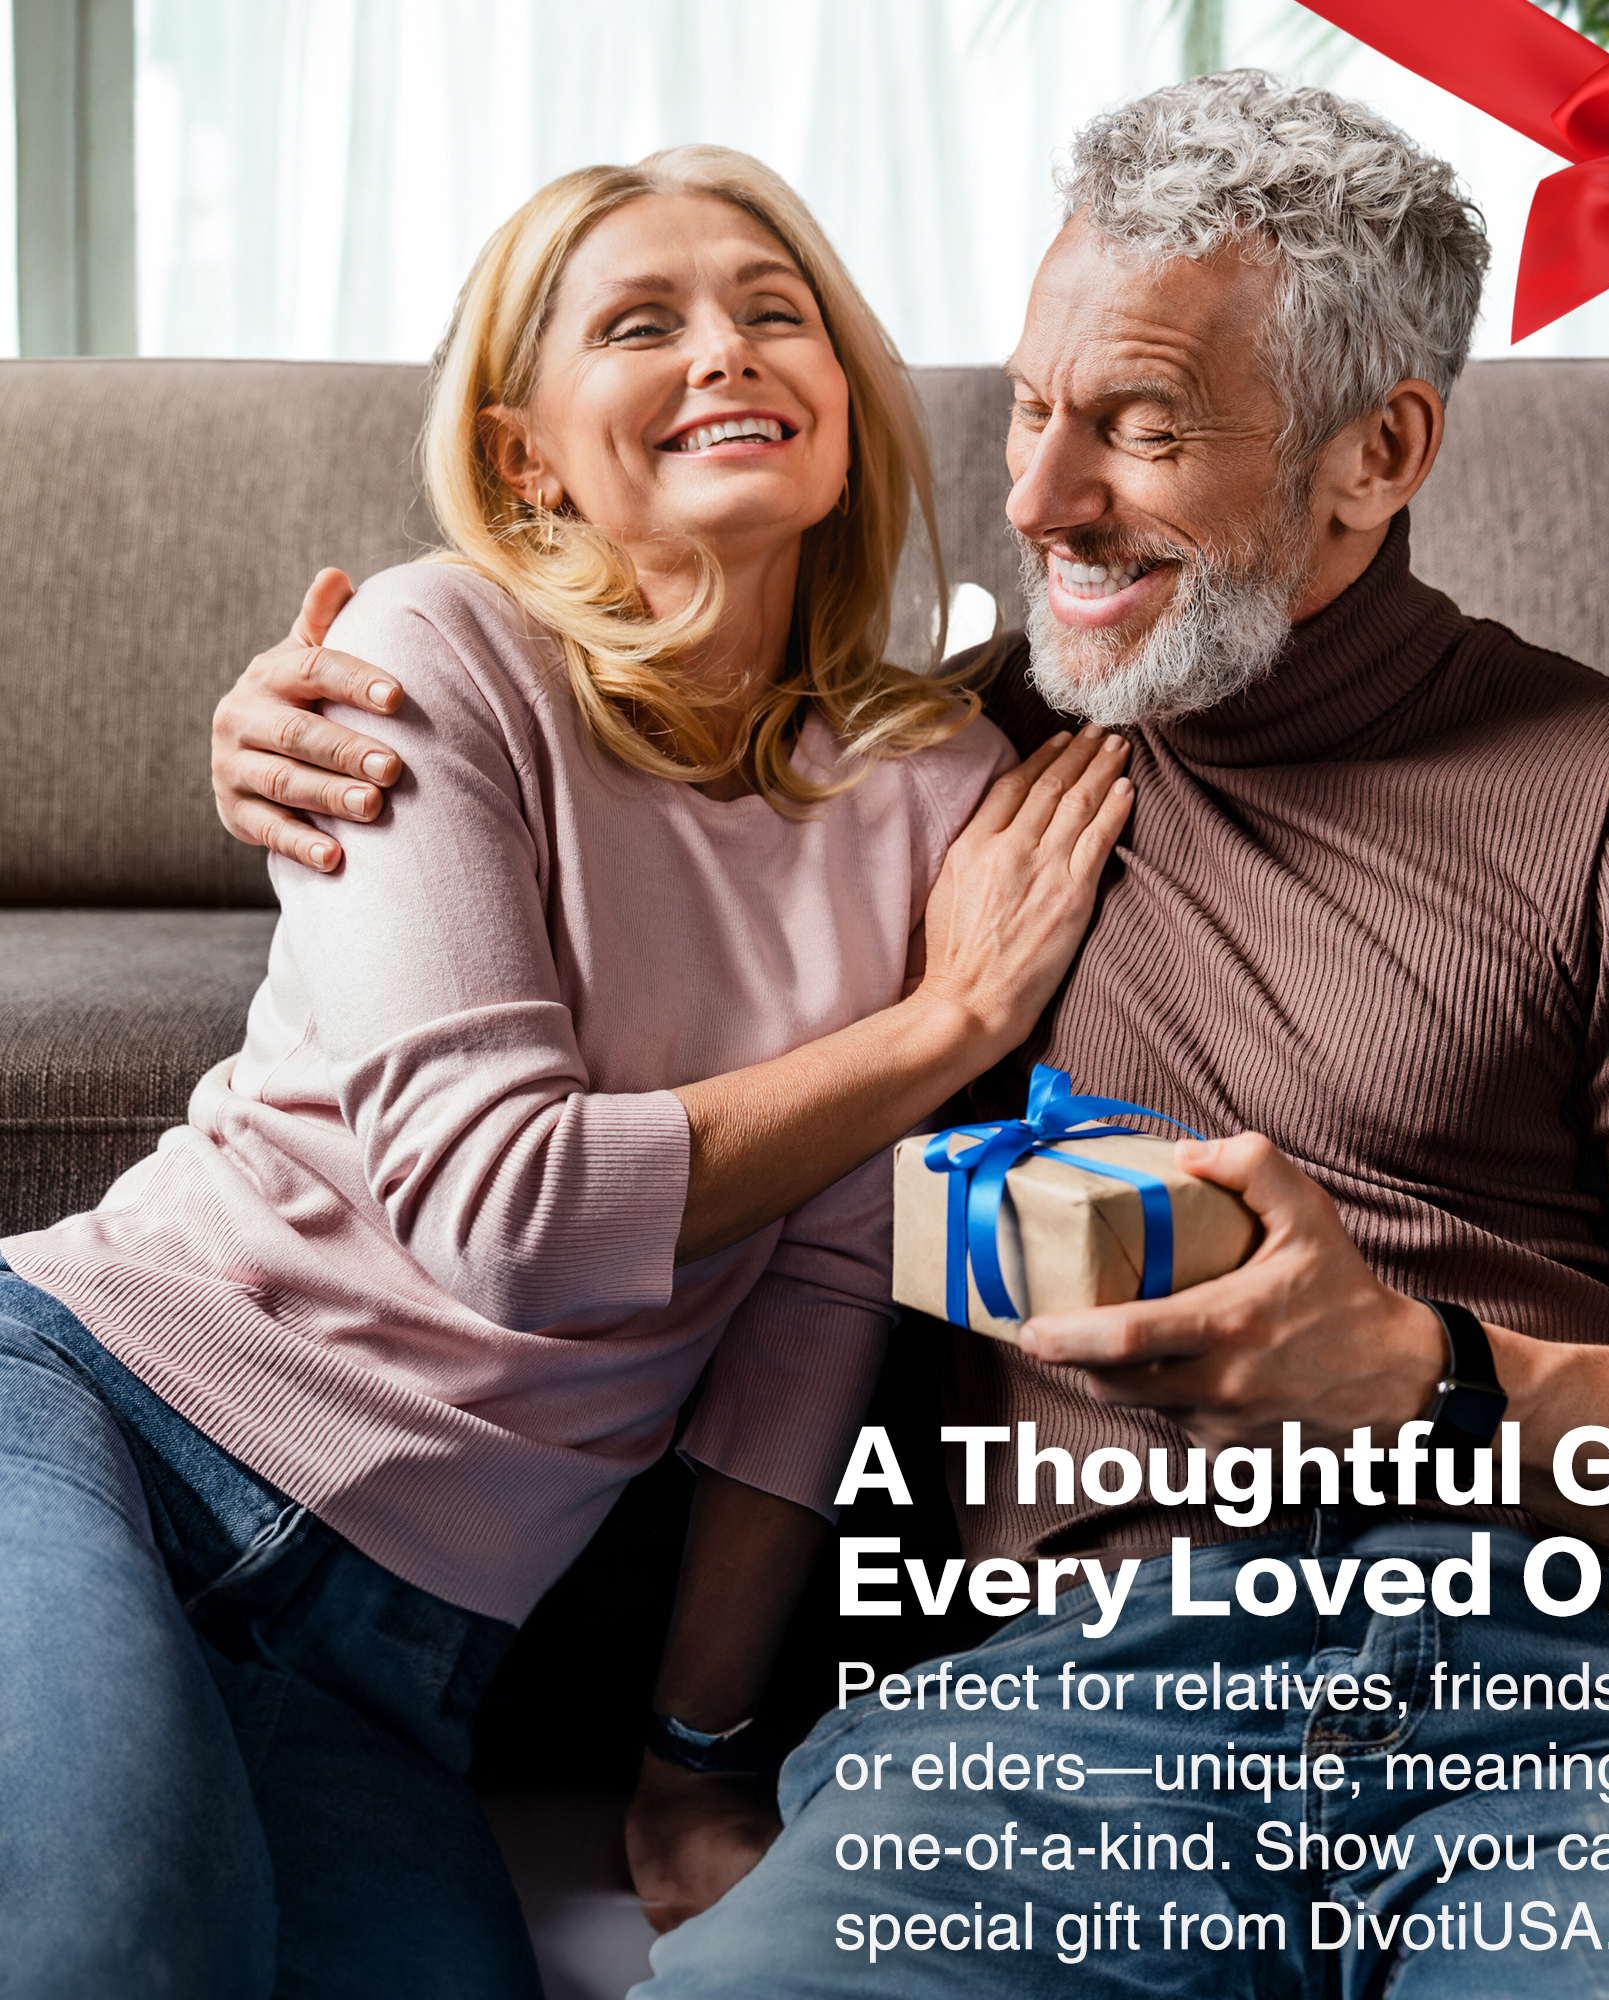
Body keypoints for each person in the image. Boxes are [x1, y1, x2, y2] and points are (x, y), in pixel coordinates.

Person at [209, 74, 1609, 1999]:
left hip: (1601, 1721)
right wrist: (304, 735)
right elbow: (592, 745)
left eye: (1137, 429)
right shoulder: (914, 782)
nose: (1041, 502)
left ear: (1374, 455)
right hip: (1055, 1727)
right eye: (1031, 410)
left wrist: (1428, 1376)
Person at [0, 144, 1137, 2000]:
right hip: (88, 1423)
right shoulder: (430, 655)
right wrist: (941, 1027)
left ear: (845, 398)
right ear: (528, 450)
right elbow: (506, 1214)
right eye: (642, 322)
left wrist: (693, 1762)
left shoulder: (938, 790)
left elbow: (821, 1294)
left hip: (401, 1661)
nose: (727, 350)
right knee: (116, 1945)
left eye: (778, 313)